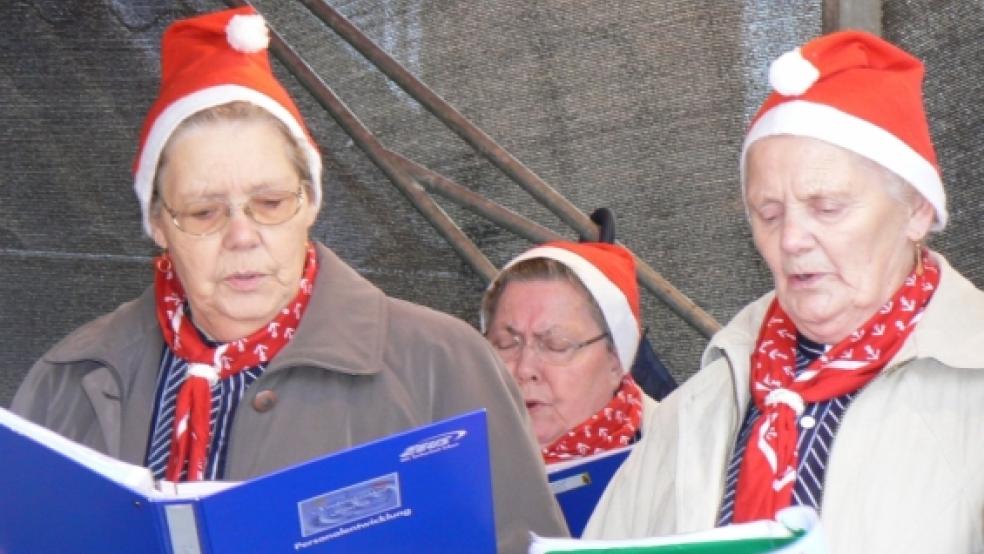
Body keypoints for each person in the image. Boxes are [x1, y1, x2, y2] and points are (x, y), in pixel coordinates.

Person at [10, 7, 567, 552]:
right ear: (158, 223)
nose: (242, 235)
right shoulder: (72, 380)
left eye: (270, 203)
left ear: (310, 203)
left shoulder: (438, 362)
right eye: (205, 212)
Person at [583, 30, 984, 552]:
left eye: (827, 208)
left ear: (917, 210)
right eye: (768, 213)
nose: (791, 239)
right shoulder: (705, 403)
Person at [480, 241, 657, 464]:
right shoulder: (446, 462)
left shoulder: (685, 470)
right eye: (505, 343)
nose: (524, 369)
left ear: (615, 361)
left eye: (556, 345)